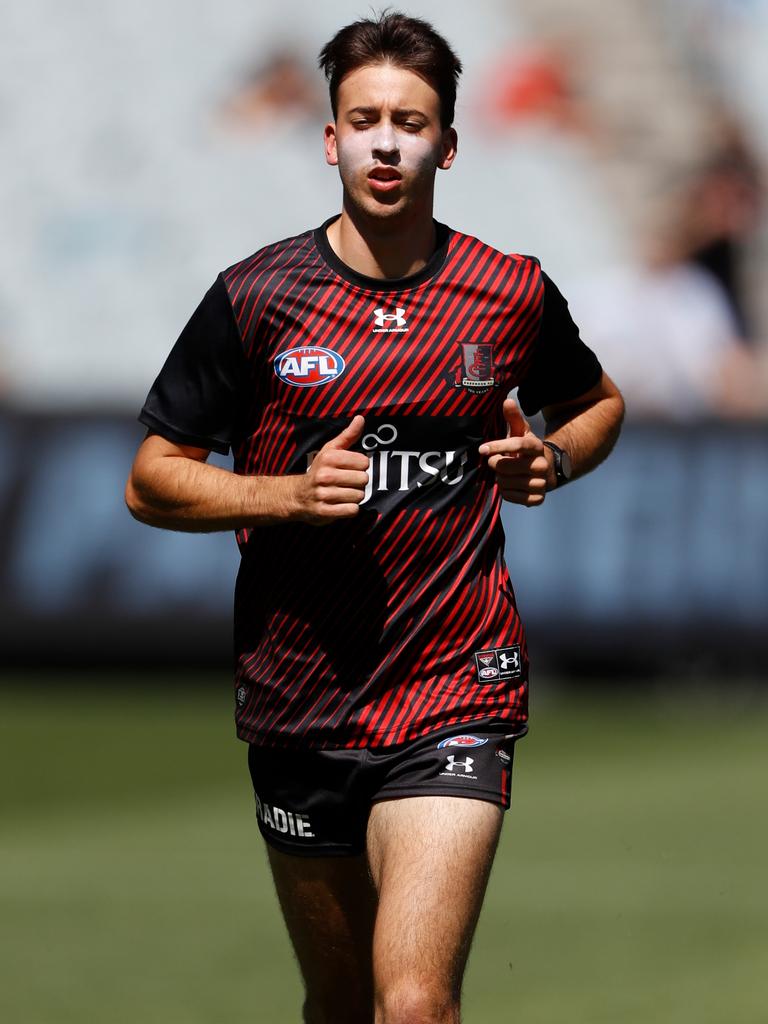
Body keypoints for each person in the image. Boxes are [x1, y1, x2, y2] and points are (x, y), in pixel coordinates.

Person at [126, 12, 624, 1024]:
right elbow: (151, 477)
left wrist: (555, 458)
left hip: (456, 684)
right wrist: (283, 495)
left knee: (412, 1002)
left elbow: (599, 402)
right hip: (299, 697)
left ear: (448, 142)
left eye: (410, 120)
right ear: (330, 138)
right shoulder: (258, 296)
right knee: (342, 1003)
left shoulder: (508, 291)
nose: (386, 141)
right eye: (364, 119)